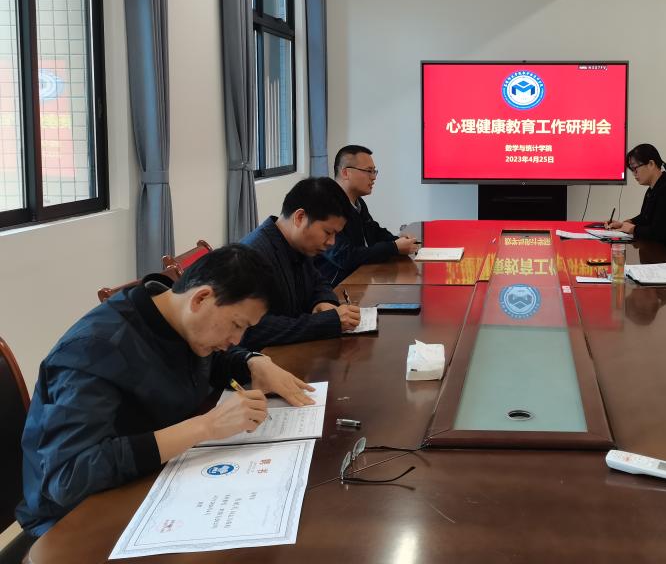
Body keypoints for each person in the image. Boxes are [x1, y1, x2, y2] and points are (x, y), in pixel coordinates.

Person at [18, 245, 316, 538]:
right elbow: (67, 477)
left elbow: (209, 362)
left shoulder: (178, 319)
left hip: (155, 481)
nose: (236, 340)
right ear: (201, 298)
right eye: (237, 325)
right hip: (74, 520)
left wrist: (252, 362)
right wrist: (205, 427)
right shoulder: (95, 349)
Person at [241, 176, 360, 349]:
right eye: (328, 232)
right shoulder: (252, 256)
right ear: (300, 217)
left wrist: (323, 302)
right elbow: (252, 329)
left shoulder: (298, 244)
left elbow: (318, 281)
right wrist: (324, 323)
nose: (332, 242)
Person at [315, 145, 418, 286]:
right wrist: (393, 247)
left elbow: (373, 231)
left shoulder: (357, 202)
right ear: (345, 173)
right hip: (336, 288)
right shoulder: (327, 205)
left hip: (359, 280)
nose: (373, 177)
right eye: (369, 171)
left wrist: (399, 242)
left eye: (374, 171)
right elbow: (345, 257)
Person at [606, 144, 666, 261]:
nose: (634, 174)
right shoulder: (653, 188)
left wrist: (632, 229)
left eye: (635, 168)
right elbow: (645, 217)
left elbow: (657, 232)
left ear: (651, 164)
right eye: (632, 170)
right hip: (656, 253)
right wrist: (626, 223)